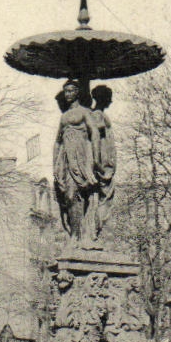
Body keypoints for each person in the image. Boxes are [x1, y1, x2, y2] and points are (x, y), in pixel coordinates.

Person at [52, 79, 101, 243]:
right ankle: (76, 234)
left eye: (71, 91)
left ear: (78, 92)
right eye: (66, 91)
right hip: (67, 161)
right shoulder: (64, 117)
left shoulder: (84, 112)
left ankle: (82, 235)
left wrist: (95, 158)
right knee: (69, 195)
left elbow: (94, 134)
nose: (68, 94)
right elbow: (58, 141)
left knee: (80, 195)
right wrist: (55, 165)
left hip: (81, 159)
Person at [87, 85, 116, 246]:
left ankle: (93, 232)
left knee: (101, 201)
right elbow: (95, 138)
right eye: (109, 98)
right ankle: (93, 233)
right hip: (104, 167)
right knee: (104, 201)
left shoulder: (98, 115)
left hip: (105, 166)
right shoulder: (98, 116)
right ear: (103, 99)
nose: (111, 102)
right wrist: (98, 163)